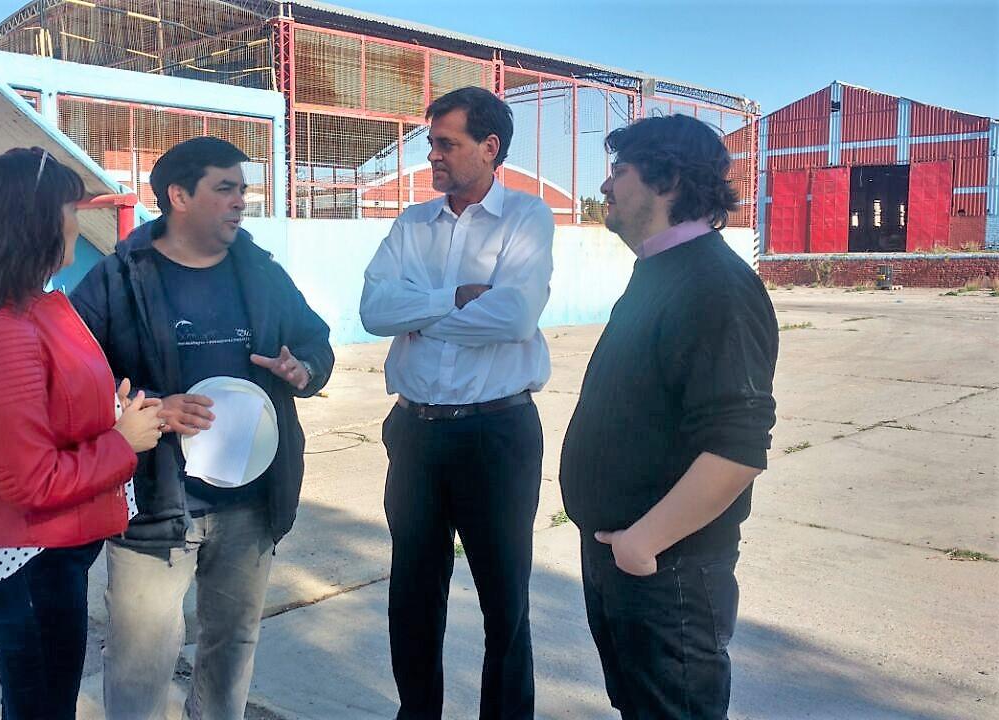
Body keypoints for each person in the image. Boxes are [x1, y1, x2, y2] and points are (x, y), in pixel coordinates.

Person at [70, 136, 334, 720]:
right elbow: (72, 379)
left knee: (232, 645)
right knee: (140, 659)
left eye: (243, 189)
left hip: (252, 502)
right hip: (154, 505)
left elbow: (316, 340)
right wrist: (149, 407)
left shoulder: (261, 273)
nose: (241, 201)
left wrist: (303, 368)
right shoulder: (119, 279)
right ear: (179, 196)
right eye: (226, 188)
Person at [558, 114, 779, 719]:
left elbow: (736, 448)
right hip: (627, 560)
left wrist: (642, 543)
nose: (605, 186)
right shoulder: (664, 270)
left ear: (667, 179)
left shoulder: (715, 286)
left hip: (668, 569)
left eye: (620, 170)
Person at [0, 147, 164, 720]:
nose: (75, 222)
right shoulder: (1, 332)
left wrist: (113, 414)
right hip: (28, 561)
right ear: (35, 220)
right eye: (69, 209)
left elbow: (48, 410)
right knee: (42, 706)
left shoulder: (31, 309)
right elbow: (30, 480)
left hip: (49, 551)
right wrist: (123, 443)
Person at [359, 86, 555, 719]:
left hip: (495, 433)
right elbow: (373, 311)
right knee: (413, 595)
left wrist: (420, 314)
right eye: (431, 143)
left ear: (489, 147)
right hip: (415, 433)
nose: (433, 156)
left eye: (447, 143)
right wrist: (455, 298)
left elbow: (516, 317)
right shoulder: (411, 224)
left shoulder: (526, 218)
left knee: (505, 599)